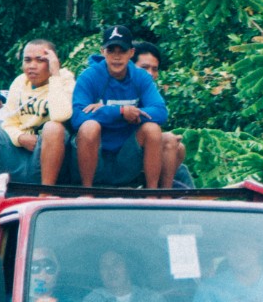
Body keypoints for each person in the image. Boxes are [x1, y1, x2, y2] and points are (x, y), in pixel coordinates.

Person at [72, 26, 168, 188]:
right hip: (94, 153)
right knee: (89, 126)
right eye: (111, 50)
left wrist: (132, 113)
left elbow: (160, 111)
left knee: (152, 129)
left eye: (122, 51)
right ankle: (87, 191)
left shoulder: (141, 77)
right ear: (103, 52)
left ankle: (152, 193)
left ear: (131, 53)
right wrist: (120, 112)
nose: (116, 57)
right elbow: (77, 117)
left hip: (127, 154)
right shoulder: (89, 76)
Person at [0, 38, 74, 184]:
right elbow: (8, 122)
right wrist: (20, 137)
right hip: (21, 146)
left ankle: (46, 191)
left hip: (50, 151)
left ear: (53, 62)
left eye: (40, 60)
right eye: (27, 60)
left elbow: (61, 115)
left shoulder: (65, 79)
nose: (32, 66)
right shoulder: (19, 82)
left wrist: (55, 75)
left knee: (53, 127)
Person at [131, 41, 191, 188]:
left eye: (154, 69)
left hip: (146, 154)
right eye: (144, 68)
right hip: (120, 156)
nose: (150, 74)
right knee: (168, 142)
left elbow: (160, 113)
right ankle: (158, 194)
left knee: (179, 150)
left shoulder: (149, 91)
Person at [79, 249, 169, 302]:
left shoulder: (152, 299)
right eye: (104, 267)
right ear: (99, 273)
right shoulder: (93, 300)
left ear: (128, 268)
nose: (111, 271)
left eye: (116, 264)